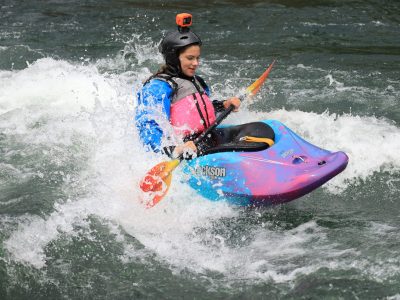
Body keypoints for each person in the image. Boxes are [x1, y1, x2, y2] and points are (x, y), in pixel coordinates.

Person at [135, 14, 241, 159]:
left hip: (206, 139)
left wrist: (223, 105)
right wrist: (175, 149)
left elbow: (197, 111)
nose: (196, 63)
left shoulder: (197, 81)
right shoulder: (158, 87)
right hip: (184, 150)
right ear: (174, 59)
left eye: (197, 58)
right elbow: (148, 127)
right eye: (190, 58)